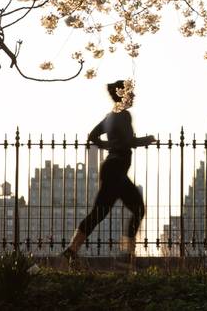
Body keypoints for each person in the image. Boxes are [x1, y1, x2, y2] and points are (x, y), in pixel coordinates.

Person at [62, 79, 157, 260]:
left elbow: (93, 136)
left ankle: (71, 251)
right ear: (123, 94)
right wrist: (148, 139)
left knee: (99, 213)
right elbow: (129, 141)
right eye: (130, 92)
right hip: (116, 169)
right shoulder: (123, 115)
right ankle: (127, 254)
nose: (133, 96)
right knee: (137, 208)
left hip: (112, 169)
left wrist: (107, 145)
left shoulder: (111, 116)